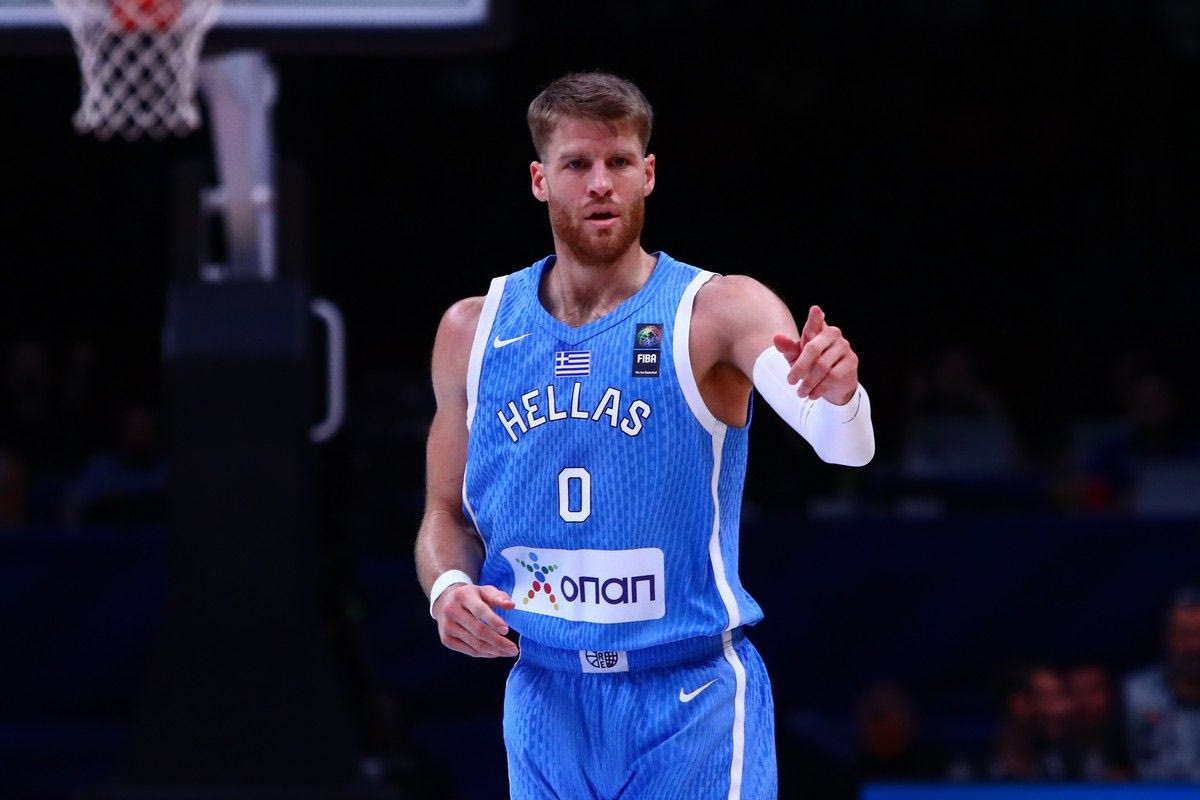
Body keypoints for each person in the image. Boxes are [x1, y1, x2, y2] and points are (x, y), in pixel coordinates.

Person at [413, 71, 875, 799]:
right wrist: (447, 588)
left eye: (619, 162)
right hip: (545, 694)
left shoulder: (718, 310)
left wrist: (841, 394)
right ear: (540, 180)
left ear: (648, 174)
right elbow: (445, 515)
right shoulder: (472, 330)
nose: (601, 183)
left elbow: (842, 446)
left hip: (687, 694)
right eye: (577, 164)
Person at [1123, 587, 1200, 781]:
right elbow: (1115, 771)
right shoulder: (1134, 694)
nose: (1194, 646)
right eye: (1184, 635)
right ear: (1167, 638)